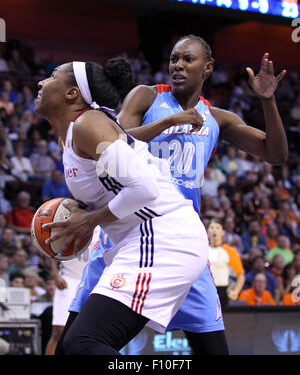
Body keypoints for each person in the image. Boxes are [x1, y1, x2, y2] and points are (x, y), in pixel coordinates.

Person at [117, 35, 288, 353]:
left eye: (187, 59)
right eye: (173, 59)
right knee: (81, 337)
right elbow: (112, 143)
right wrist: (170, 121)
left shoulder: (218, 119)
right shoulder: (146, 97)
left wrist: (267, 101)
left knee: (213, 348)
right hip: (132, 236)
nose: (177, 65)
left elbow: (276, 154)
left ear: (207, 68)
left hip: (183, 242)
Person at [34, 58, 209, 355]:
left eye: (52, 76)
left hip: (163, 236)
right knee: (74, 345)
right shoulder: (79, 131)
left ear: (71, 94)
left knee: (82, 343)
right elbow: (124, 154)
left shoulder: (88, 124)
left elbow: (143, 188)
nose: (41, 83)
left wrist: (89, 220)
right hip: (142, 240)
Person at [44, 226, 101, 355]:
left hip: (90, 281)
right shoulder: (73, 223)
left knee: (88, 333)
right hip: (68, 280)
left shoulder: (101, 228)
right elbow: (51, 249)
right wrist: (56, 275)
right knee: (58, 331)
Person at [207, 219, 245, 309]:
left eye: (217, 228)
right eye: (211, 228)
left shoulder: (229, 251)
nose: (214, 230)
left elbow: (240, 275)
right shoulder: (203, 250)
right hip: (205, 289)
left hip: (222, 291)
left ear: (223, 232)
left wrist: (235, 291)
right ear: (207, 231)